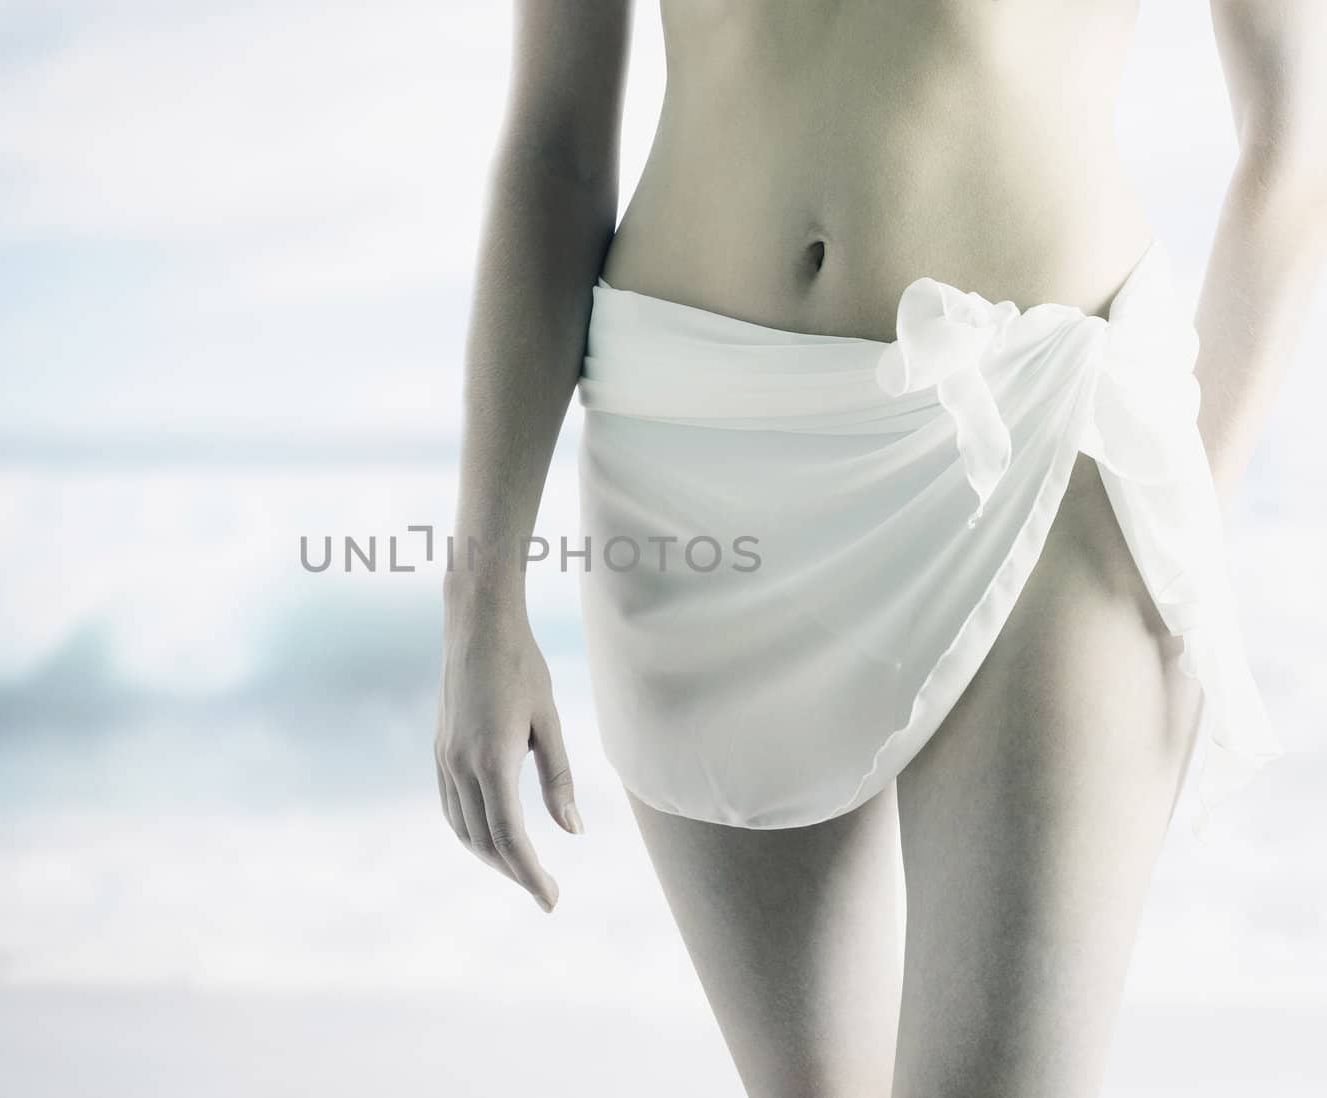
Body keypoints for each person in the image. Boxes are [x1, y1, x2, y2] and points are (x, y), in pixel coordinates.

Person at [433, 2, 1326, 1094]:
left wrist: (1179, 514)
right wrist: (481, 604)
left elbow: (1295, 134)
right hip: (691, 457)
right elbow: (557, 147)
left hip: (1036, 437)